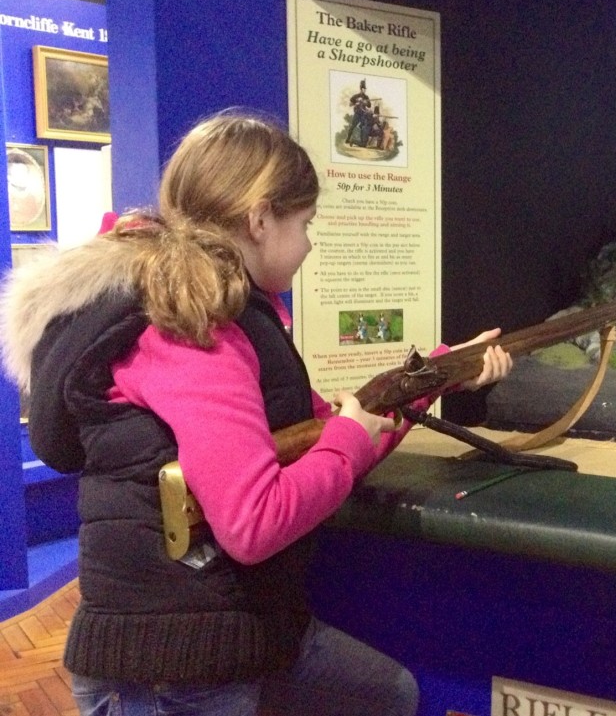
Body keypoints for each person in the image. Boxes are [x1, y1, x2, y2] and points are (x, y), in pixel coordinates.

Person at [0, 109, 512, 716]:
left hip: (234, 634)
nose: (310, 241)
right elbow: (253, 523)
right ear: (261, 217)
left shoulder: (228, 315)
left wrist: (440, 374)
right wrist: (347, 439)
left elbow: (332, 428)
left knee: (388, 693)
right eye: (305, 221)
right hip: (172, 672)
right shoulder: (193, 332)